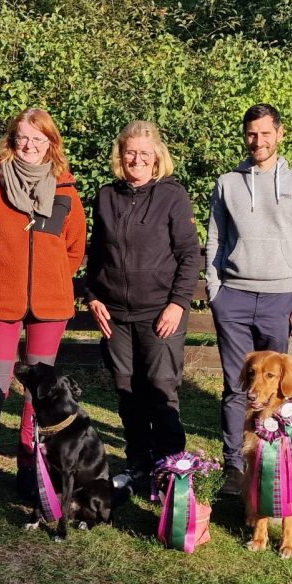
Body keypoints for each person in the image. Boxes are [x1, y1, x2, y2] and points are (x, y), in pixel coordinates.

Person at [0, 108, 87, 506]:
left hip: (49, 308)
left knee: (37, 396)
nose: (29, 146)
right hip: (0, 301)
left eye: (38, 139)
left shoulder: (65, 191)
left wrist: (49, 281)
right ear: (11, 141)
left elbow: (74, 250)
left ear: (51, 144)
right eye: (22, 138)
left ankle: (31, 471)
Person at [205, 103, 292, 495]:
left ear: (279, 133)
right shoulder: (227, 183)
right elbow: (215, 240)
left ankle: (276, 461)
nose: (258, 141)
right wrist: (215, 290)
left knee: (277, 388)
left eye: (265, 133)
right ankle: (235, 465)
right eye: (252, 134)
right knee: (237, 387)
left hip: (279, 298)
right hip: (233, 297)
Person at [84, 121, 201, 490]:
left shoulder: (172, 195)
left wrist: (178, 303)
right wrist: (92, 297)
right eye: (130, 152)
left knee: (160, 388)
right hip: (115, 316)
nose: (136, 159)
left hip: (160, 313)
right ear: (121, 156)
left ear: (156, 159)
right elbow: (95, 255)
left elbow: (188, 255)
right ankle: (137, 463)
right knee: (127, 390)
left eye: (144, 154)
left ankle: (171, 470)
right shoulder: (105, 196)